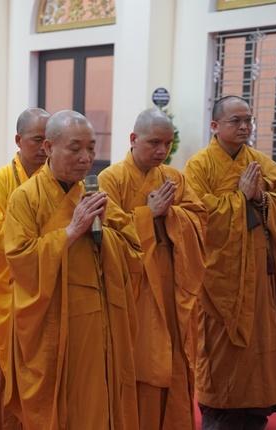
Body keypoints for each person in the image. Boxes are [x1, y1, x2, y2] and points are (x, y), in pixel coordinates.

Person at [4, 110, 142, 430]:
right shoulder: (25, 198)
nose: (86, 158)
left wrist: (105, 233)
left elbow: (134, 251)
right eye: (75, 148)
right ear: (49, 147)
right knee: (60, 407)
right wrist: (69, 232)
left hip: (98, 323)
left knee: (97, 404)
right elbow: (20, 260)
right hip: (54, 324)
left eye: (91, 148)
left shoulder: (93, 195)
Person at [185, 95, 276, 430]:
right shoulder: (199, 166)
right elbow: (195, 214)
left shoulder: (260, 162)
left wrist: (261, 197)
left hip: (260, 274)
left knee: (262, 343)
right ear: (215, 125)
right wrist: (239, 198)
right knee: (221, 348)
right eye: (235, 121)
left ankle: (255, 412)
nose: (244, 126)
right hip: (220, 279)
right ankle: (218, 414)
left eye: (248, 120)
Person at [99, 108, 206, 430]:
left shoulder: (174, 178)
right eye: (154, 142)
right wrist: (148, 214)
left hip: (171, 278)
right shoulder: (111, 179)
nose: (162, 150)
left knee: (174, 355)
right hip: (134, 284)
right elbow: (108, 233)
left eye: (167, 144)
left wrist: (170, 215)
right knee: (138, 358)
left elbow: (199, 218)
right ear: (133, 139)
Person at [0, 107, 50, 430]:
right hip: (12, 300)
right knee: (8, 381)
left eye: (49, 141)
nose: (44, 148)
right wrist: (41, 235)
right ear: (19, 140)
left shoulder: (59, 181)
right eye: (37, 140)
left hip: (50, 298)